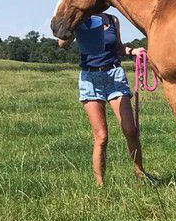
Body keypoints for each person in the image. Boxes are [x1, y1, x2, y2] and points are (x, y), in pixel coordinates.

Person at [58, 13, 152, 185]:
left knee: (130, 130)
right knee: (101, 137)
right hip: (90, 79)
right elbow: (62, 44)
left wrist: (133, 51)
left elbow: (118, 48)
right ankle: (100, 185)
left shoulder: (112, 19)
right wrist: (72, 25)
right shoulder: (80, 20)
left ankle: (140, 174)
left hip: (114, 76)